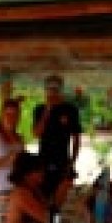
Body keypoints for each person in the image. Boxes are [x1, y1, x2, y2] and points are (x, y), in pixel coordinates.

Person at [36, 74, 83, 205]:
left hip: (63, 160)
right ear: (45, 91)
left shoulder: (70, 110)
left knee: (61, 197)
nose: (52, 93)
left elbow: (76, 138)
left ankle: (58, 215)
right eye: (49, 89)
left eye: (55, 89)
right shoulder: (40, 109)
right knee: (43, 197)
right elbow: (37, 133)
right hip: (43, 160)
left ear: (61, 90)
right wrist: (47, 111)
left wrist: (72, 162)